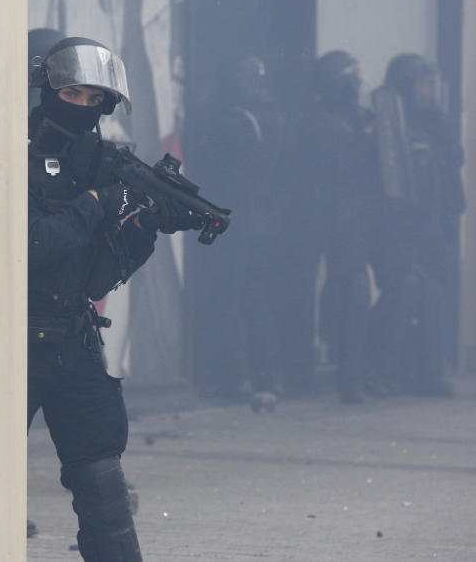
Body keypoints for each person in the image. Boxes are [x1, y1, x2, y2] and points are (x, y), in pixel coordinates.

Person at [27, 36, 199, 561]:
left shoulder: (106, 160)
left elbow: (100, 274)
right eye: (73, 93)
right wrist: (98, 204)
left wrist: (141, 224)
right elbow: (34, 244)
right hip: (13, 339)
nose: (83, 107)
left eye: (93, 99)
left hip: (73, 340)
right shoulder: (16, 152)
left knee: (101, 478)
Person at [186, 55, 284, 406]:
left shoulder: (233, 120)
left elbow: (213, 168)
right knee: (253, 297)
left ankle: (230, 377)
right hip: (257, 219)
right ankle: (261, 377)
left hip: (231, 220)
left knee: (227, 297)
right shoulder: (267, 113)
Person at [369, 53, 464, 397]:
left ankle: (429, 370)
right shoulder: (386, 123)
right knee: (403, 290)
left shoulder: (435, 123)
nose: (428, 91)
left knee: (435, 295)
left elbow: (451, 167)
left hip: (429, 221)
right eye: (422, 83)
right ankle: (383, 368)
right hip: (394, 224)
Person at [294, 50, 380, 403]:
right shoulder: (318, 122)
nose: (358, 83)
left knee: (355, 293)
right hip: (320, 217)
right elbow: (337, 165)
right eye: (352, 76)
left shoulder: (357, 118)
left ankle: (352, 375)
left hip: (351, 218)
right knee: (307, 291)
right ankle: (303, 371)